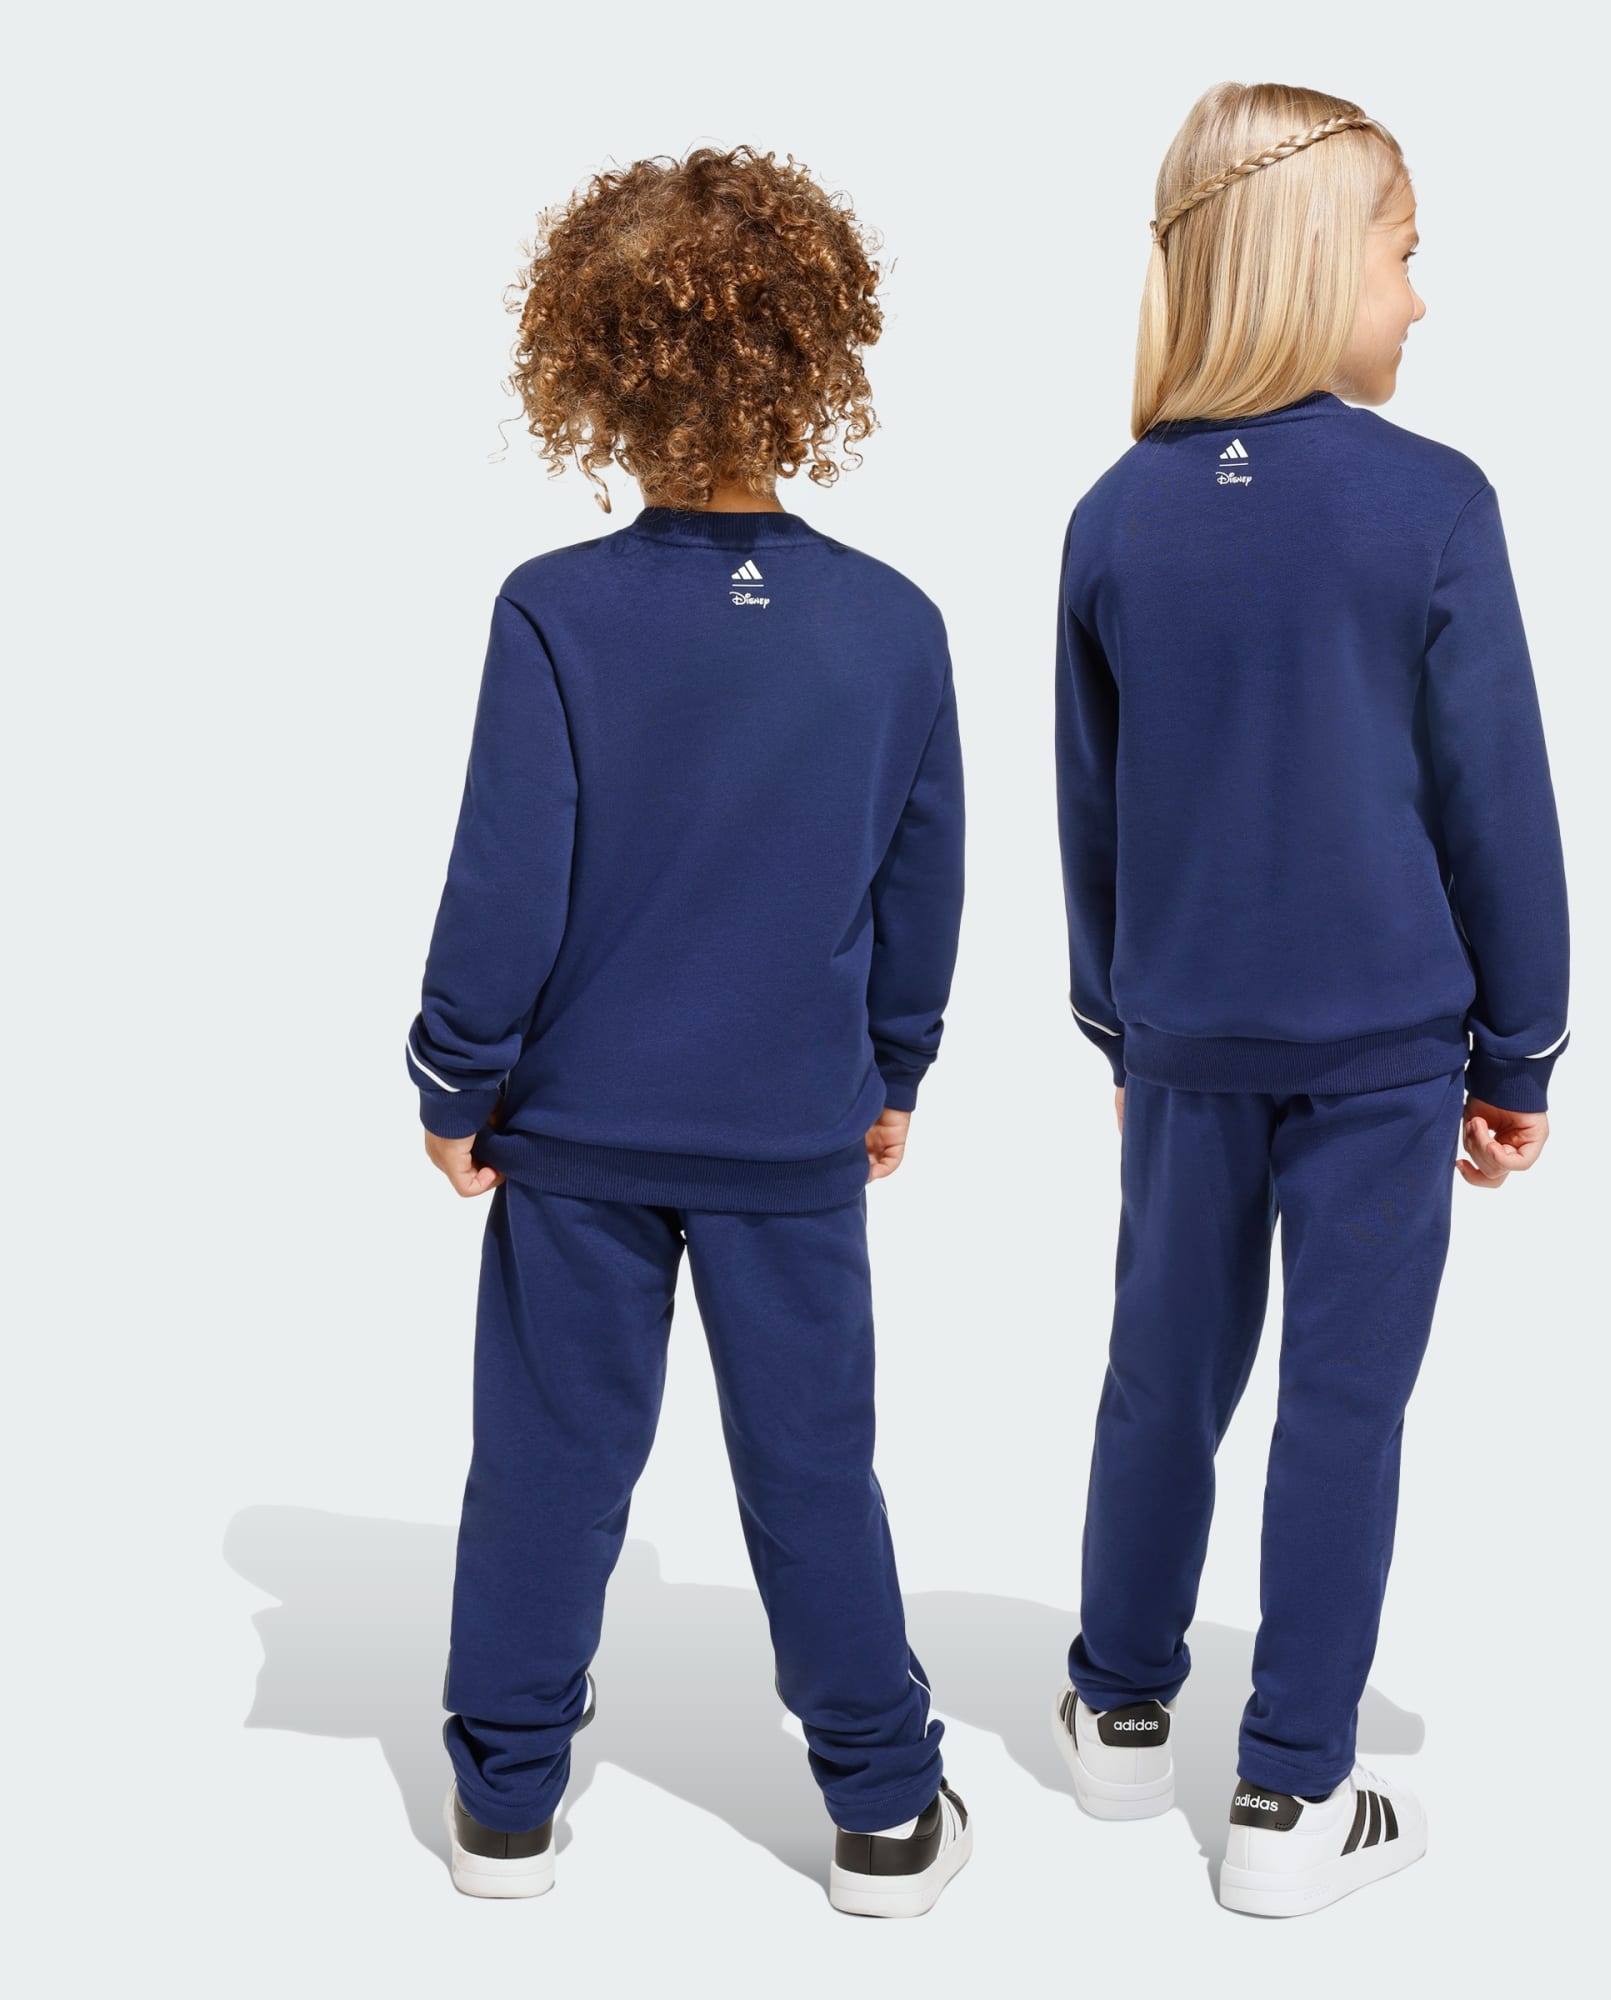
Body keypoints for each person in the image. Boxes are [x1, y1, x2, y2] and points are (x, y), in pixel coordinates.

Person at [406, 147, 971, 1915]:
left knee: (548, 1470)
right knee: (814, 1475)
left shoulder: (556, 611)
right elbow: (921, 879)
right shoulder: (894, 626)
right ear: (815, 361)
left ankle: (503, 1809)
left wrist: (454, 1075)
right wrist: (894, 1067)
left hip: (576, 1134)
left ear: (592, 362)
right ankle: (883, 1813)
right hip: (791, 1134)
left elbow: (509, 875)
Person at [1050, 82, 1569, 1918]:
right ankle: (1289, 1796)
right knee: (1342, 1407)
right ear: (1314, 259)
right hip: (1380, 1051)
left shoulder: (1114, 517)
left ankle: (1118, 1715)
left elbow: (1091, 812)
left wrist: (1118, 1025)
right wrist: (1522, 1046)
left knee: (1161, 1374)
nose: (1422, 296)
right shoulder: (1431, 504)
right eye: (1405, 254)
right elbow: (1495, 798)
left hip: (1184, 1040)